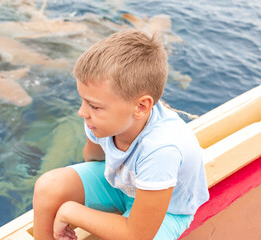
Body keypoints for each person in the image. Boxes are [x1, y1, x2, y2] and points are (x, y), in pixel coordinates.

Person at [33, 29, 209, 240]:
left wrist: (72, 211)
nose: (82, 112)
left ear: (141, 107)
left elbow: (137, 236)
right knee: (48, 187)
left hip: (168, 209)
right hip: (122, 186)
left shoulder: (161, 150)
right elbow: (94, 159)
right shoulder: (101, 121)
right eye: (83, 100)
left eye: (94, 106)